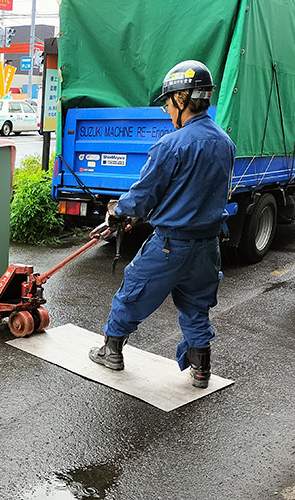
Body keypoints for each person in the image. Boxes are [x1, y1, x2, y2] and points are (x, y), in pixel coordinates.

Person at [89, 60, 236, 388]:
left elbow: (143, 195)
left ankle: (111, 351)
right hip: (208, 246)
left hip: (171, 244)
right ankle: (200, 371)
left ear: (183, 100)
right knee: (196, 306)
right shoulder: (225, 143)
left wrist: (117, 212)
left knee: (133, 291)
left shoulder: (172, 144)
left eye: (169, 104)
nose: (168, 112)